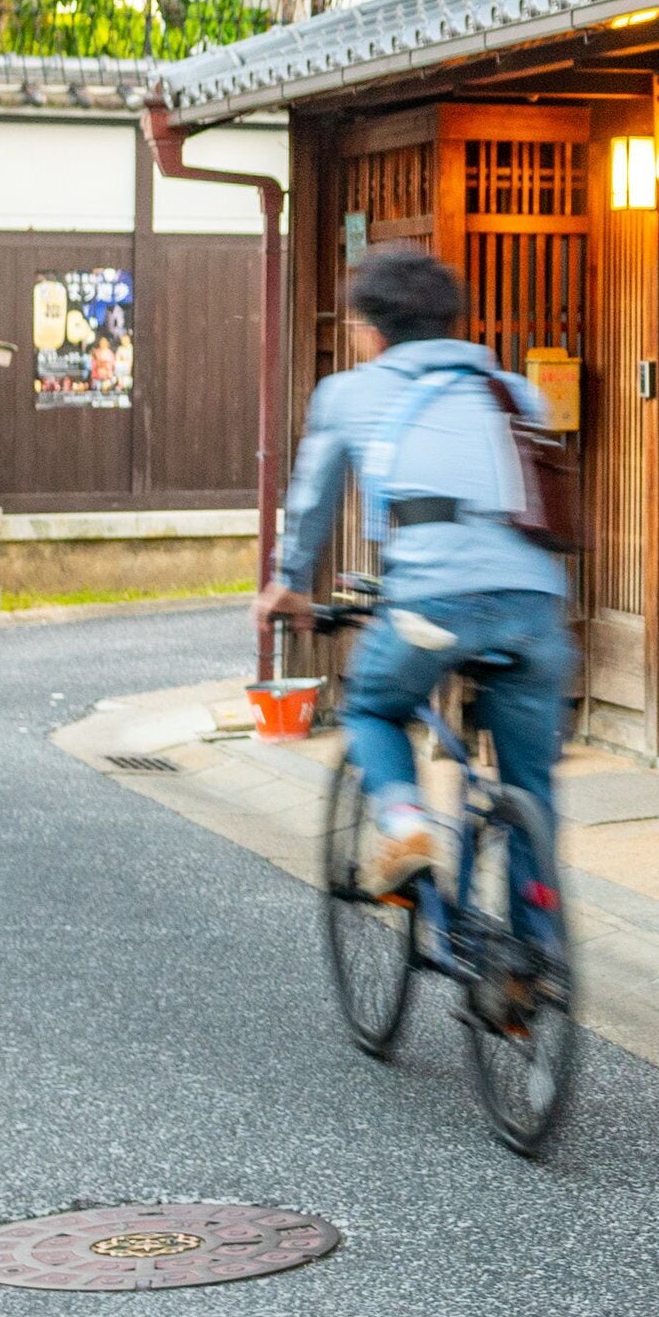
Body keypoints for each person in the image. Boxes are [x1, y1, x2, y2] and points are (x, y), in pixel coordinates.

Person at [257, 246, 575, 941]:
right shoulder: (515, 390)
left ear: (370, 331)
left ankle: (404, 825)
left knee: (371, 705)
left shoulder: (348, 393)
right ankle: (530, 964)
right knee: (529, 787)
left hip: (430, 605)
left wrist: (285, 586)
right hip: (536, 610)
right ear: (452, 322)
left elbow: (312, 505)